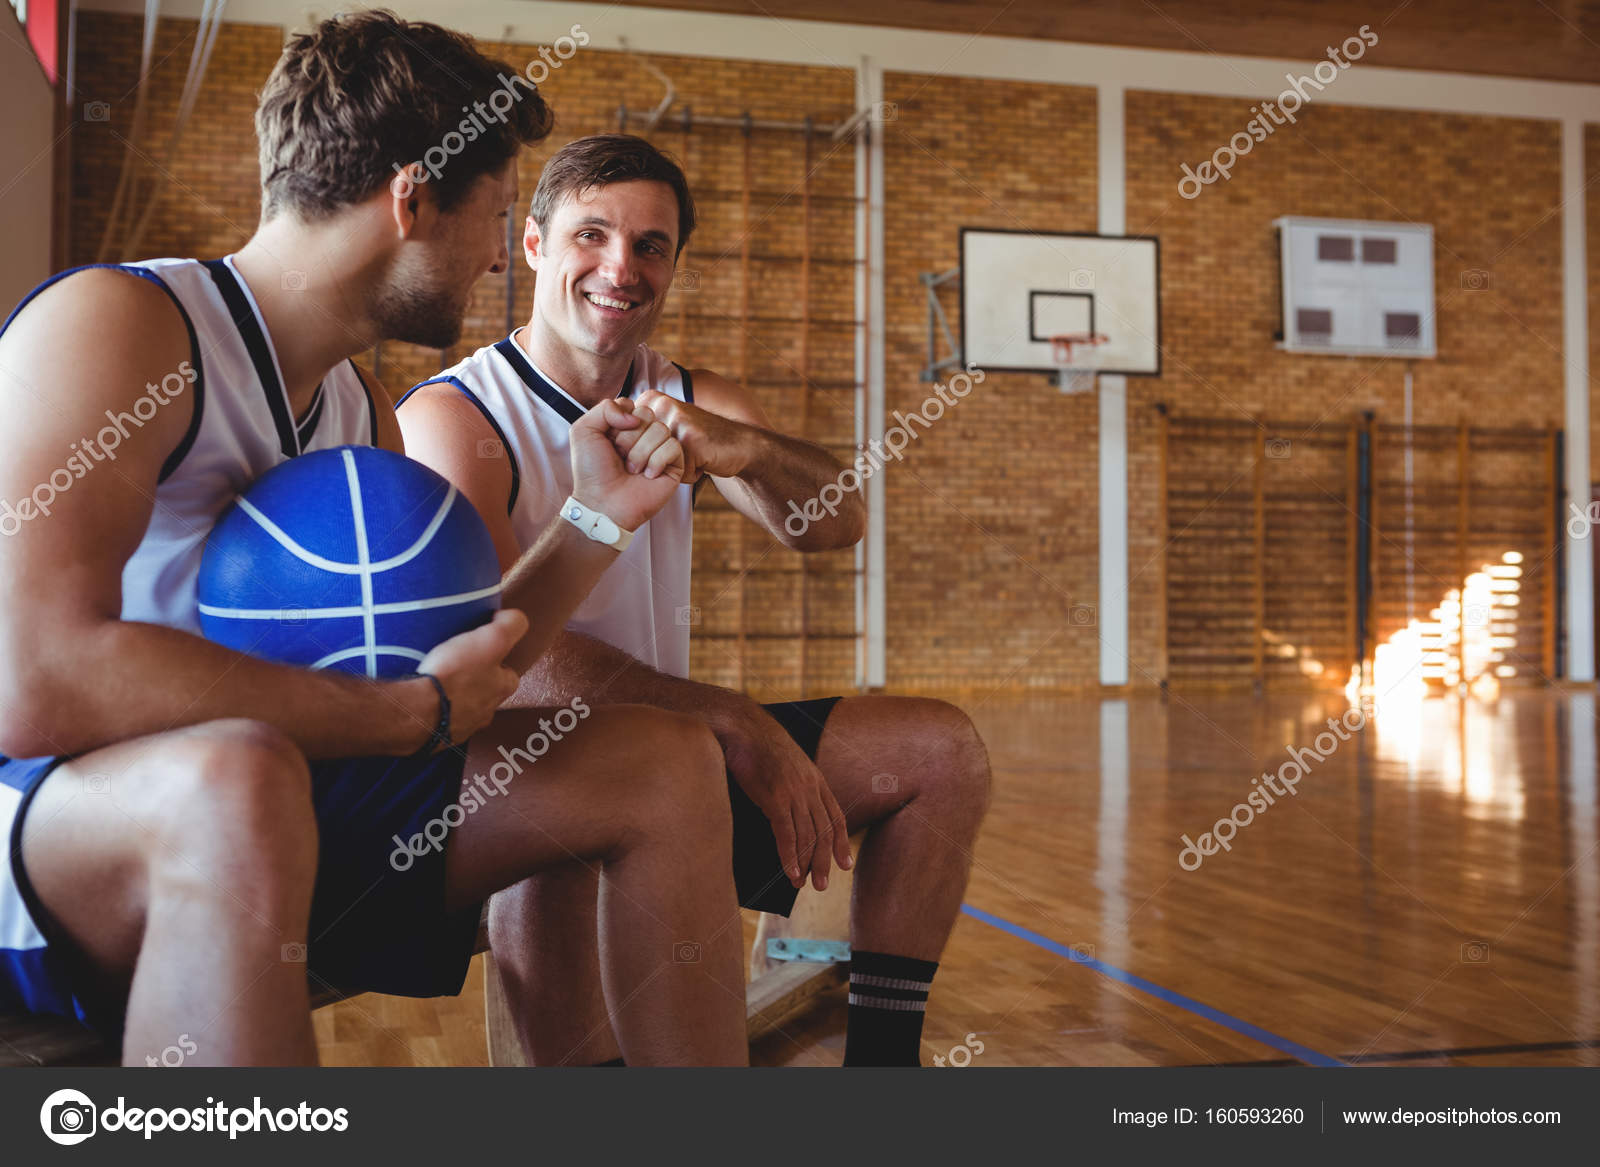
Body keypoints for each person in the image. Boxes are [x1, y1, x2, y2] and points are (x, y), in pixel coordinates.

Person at [0, 16, 749, 1067]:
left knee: (663, 760)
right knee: (236, 778)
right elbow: (31, 681)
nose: (498, 255)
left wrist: (594, 520)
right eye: (494, 214)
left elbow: (449, 675)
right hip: (61, 825)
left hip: (297, 789)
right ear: (413, 196)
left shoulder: (359, 407)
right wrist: (396, 714)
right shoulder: (120, 326)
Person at [398, 133, 993, 1067]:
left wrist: (742, 449)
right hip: (530, 775)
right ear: (534, 246)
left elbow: (834, 521)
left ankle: (882, 1066)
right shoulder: (455, 415)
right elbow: (511, 661)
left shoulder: (682, 392)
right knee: (567, 824)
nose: (620, 267)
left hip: (681, 750)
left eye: (651, 245)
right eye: (592, 236)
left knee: (941, 751)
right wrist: (732, 719)